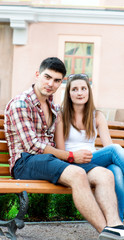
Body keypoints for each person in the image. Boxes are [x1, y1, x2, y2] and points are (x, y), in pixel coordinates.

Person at [4, 58, 124, 240]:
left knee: (105, 175)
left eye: (57, 80)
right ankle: (108, 233)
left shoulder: (53, 107)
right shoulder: (21, 103)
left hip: (51, 162)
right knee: (77, 174)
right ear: (37, 75)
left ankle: (117, 227)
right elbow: (33, 146)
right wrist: (70, 155)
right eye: (47, 77)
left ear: (61, 82)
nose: (51, 84)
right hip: (26, 161)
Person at [55, 73, 124, 222]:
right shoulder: (61, 116)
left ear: (88, 91)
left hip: (94, 160)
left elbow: (108, 146)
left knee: (116, 170)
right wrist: (74, 155)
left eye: (83, 88)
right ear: (68, 94)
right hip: (72, 162)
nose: (79, 92)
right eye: (74, 89)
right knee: (115, 149)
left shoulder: (97, 116)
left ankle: (120, 222)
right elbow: (61, 152)